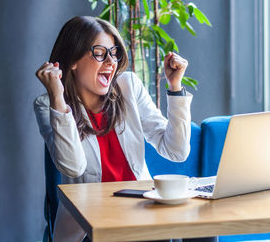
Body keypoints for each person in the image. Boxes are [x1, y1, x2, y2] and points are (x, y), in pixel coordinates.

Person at [34, 16, 216, 242]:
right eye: (100, 52)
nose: (111, 61)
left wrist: (175, 87)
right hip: (91, 223)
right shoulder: (48, 104)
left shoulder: (128, 85)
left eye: (114, 52)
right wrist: (58, 99)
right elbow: (73, 167)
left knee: (203, 230)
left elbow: (176, 151)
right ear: (73, 59)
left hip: (140, 209)